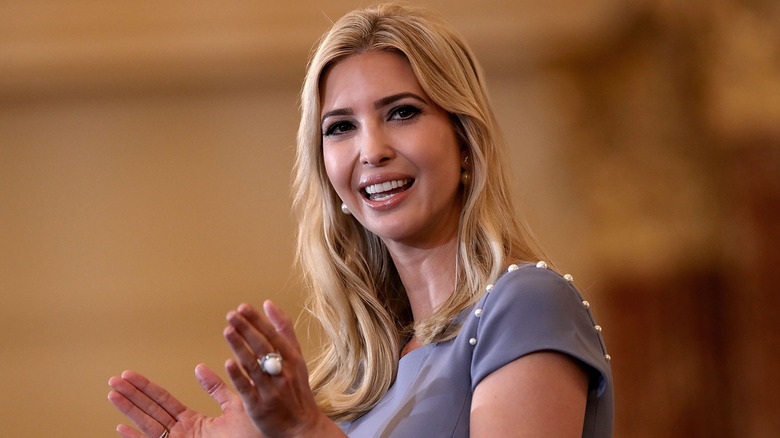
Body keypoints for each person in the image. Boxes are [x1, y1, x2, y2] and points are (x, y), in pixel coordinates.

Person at [107, 3, 614, 437]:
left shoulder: (526, 305)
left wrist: (309, 432)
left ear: (464, 140)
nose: (371, 150)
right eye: (342, 127)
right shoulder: (357, 381)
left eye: (402, 113)